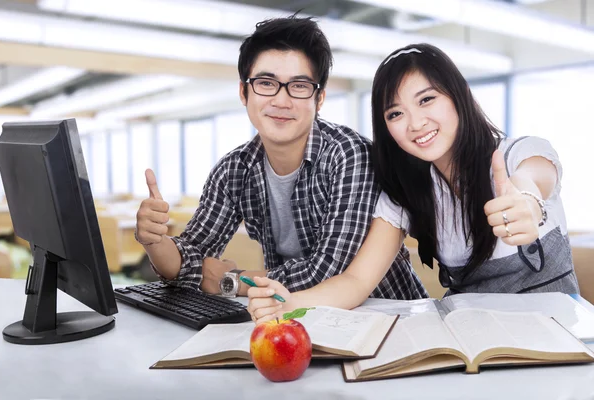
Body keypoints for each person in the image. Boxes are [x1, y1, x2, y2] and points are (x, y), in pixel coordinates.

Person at [247, 43, 579, 323]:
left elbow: (533, 179)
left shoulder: (515, 155)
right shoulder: (406, 192)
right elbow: (357, 280)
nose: (416, 123)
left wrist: (527, 202)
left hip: (554, 339)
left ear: (460, 95)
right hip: (475, 342)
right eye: (395, 114)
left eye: (426, 100)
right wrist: (289, 303)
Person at [134, 16, 427, 300]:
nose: (281, 100)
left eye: (299, 86)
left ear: (319, 99)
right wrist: (155, 242)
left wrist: (230, 281)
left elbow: (326, 272)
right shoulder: (234, 170)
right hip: (297, 320)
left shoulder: (349, 155)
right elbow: (188, 260)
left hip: (388, 319)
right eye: (266, 83)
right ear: (244, 92)